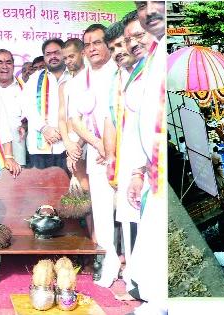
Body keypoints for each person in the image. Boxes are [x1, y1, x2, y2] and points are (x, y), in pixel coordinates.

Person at [101, 12, 153, 300]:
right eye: (115, 49)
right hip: (128, 163)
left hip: (144, 166)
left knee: (143, 225)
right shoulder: (116, 80)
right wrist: (112, 160)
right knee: (129, 224)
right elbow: (111, 121)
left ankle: (143, 288)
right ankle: (134, 283)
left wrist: (139, 170)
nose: (120, 52)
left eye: (124, 44)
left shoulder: (148, 73)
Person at [69, 24, 119, 288]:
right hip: (97, 155)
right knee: (101, 212)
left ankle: (133, 268)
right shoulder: (79, 80)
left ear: (107, 44)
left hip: (125, 154)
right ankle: (107, 265)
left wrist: (112, 148)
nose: (92, 49)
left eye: (97, 43)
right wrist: (99, 144)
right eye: (87, 44)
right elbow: (75, 122)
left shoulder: (121, 73)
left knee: (129, 210)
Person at [125, 2, 167, 313]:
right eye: (142, 5)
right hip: (152, 167)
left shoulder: (164, 52)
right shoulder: (151, 55)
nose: (150, 10)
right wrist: (139, 170)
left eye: (158, 3)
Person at [20, 38, 71, 173]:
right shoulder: (35, 78)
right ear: (44, 57)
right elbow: (27, 107)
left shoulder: (74, 76)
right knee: (41, 192)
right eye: (48, 54)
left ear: (64, 53)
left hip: (69, 146)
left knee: (69, 192)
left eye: (56, 52)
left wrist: (63, 130)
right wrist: (44, 128)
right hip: (39, 147)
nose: (52, 56)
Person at [0, 49, 26, 166]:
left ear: (13, 64)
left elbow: (32, 117)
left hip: (17, 153)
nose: (4, 66)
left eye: (8, 62)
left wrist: (25, 125)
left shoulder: (26, 89)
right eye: (0, 62)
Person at [58, 38, 89, 191]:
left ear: (82, 53)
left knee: (91, 188)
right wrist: (68, 143)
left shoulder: (92, 80)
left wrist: (78, 146)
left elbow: (91, 118)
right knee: (81, 189)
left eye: (71, 56)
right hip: (71, 141)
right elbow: (62, 118)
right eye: (65, 58)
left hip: (89, 141)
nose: (68, 61)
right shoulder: (65, 85)